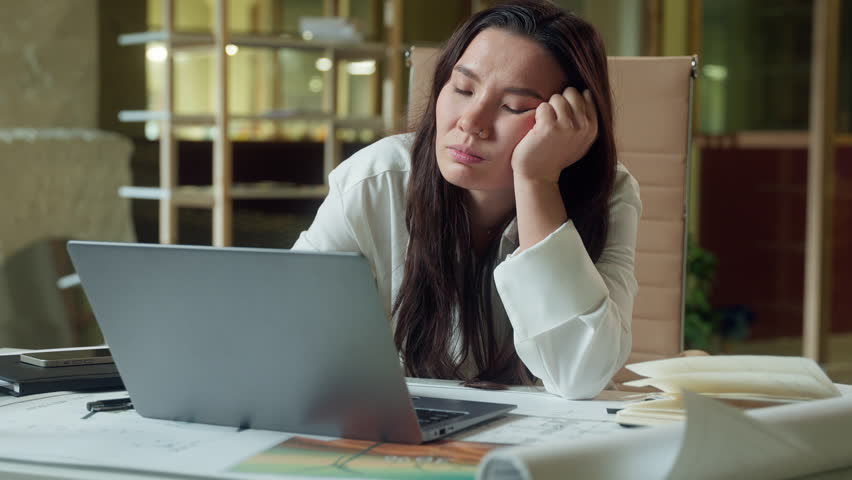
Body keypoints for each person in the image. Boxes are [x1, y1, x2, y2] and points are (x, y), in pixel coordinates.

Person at [292, 0, 641, 399]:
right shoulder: (375, 180)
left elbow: (580, 375)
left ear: (569, 120)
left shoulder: (608, 194)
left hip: (540, 444)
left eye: (514, 106)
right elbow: (287, 330)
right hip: (400, 430)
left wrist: (538, 181)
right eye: (463, 88)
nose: (471, 122)